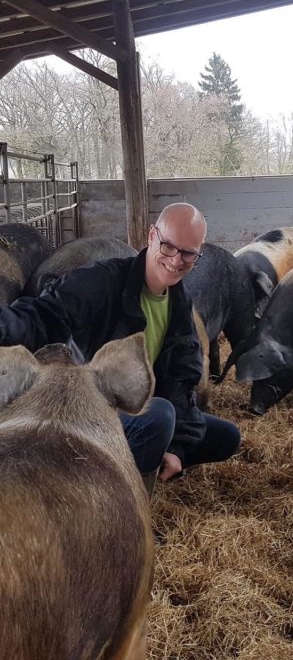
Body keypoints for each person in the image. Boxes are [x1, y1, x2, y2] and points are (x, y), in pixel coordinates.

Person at [0, 202, 241, 495]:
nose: (176, 260)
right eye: (168, 246)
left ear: (198, 253)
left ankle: (144, 455)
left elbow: (181, 378)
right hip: (89, 407)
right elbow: (43, 316)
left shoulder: (180, 304)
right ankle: (123, 500)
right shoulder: (103, 280)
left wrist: (177, 446)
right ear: (152, 236)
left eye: (188, 253)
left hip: (139, 409)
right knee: (160, 416)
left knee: (225, 436)